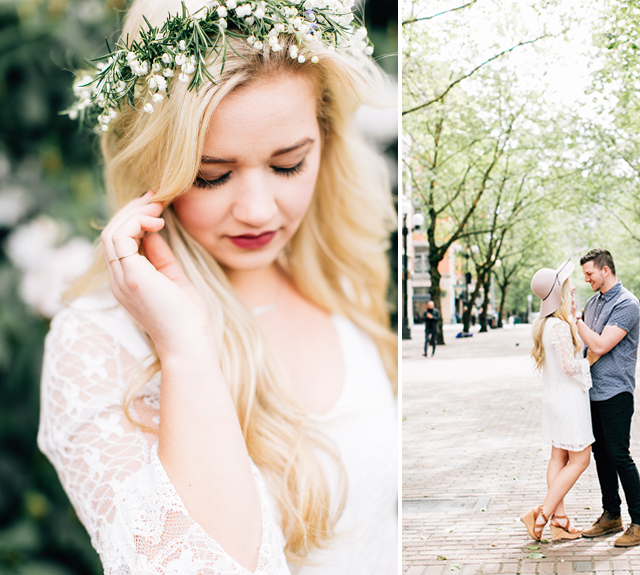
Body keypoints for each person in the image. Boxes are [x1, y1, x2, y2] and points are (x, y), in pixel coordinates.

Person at [38, 1, 398, 573]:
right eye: (212, 176)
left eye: (288, 165)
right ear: (155, 162)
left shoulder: (341, 282)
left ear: (324, 143)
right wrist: (184, 349)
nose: (257, 212)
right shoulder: (96, 345)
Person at [575, 248, 640, 548]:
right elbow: (588, 347)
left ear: (606, 270)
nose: (587, 279)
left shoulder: (627, 303)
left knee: (620, 455)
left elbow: (601, 344)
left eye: (590, 273)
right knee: (601, 456)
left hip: (617, 392)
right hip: (592, 391)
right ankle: (611, 515)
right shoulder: (593, 303)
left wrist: (574, 320)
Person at [520, 260, 593, 543]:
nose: (573, 287)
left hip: (553, 399)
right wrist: (590, 360)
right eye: (568, 285)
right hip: (568, 403)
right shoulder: (560, 327)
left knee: (558, 457)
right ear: (559, 293)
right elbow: (568, 366)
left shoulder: (545, 325)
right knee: (581, 459)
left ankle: (560, 523)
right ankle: (542, 515)